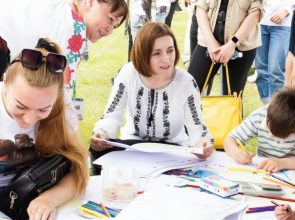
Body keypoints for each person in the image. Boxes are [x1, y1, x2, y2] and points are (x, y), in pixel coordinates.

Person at [90, 22, 214, 175]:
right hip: (132, 147)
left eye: (170, 50)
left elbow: (197, 128)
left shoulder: (186, 82)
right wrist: (102, 133)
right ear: (143, 54)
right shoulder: (127, 73)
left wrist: (203, 143)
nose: (166, 59)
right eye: (157, 53)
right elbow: (111, 116)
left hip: (173, 150)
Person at [0, 39, 88, 219]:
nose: (30, 120)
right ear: (5, 83)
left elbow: (78, 169)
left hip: (30, 197)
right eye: (21, 106)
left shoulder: (62, 107)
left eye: (43, 109)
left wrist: (49, 199)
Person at [0, 0, 129, 95]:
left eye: (115, 26)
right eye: (110, 19)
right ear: (90, 2)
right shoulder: (75, 24)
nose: (110, 31)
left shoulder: (57, 8)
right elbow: (64, 87)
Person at [223, 88, 295, 172]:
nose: (271, 135)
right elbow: (230, 139)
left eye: (284, 137)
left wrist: (283, 163)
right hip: (262, 169)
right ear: (268, 113)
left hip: (294, 172)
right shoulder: (260, 115)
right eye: (268, 128)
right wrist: (235, 152)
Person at [187, 0, 263, 96]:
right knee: (188, 88)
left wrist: (232, 43)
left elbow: (256, 13)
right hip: (208, 42)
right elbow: (200, 8)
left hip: (241, 45)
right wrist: (210, 41)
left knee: (233, 98)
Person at [255, 0, 295, 104]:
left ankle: (277, 107)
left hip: (283, 25)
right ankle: (266, 105)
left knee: (276, 70)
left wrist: (286, 11)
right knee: (261, 69)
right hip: (260, 23)